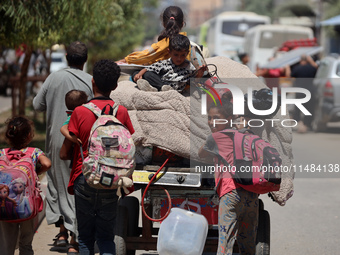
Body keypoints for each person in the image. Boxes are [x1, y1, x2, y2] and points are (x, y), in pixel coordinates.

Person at [60, 59, 134, 255]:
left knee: (85, 237)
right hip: (111, 179)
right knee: (105, 237)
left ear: (93, 82)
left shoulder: (80, 112)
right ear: (116, 86)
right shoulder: (122, 112)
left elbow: (65, 151)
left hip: (84, 177)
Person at [33, 41, 93, 254]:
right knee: (76, 188)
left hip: (55, 142)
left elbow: (37, 105)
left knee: (56, 186)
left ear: (67, 57)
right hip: (79, 143)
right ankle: (74, 236)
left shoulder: (53, 78)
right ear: (85, 60)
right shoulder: (90, 81)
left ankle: (61, 233)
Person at [198, 99, 258, 255]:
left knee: (225, 243)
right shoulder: (245, 134)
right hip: (251, 194)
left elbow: (200, 154)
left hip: (230, 193)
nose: (212, 122)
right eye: (209, 118)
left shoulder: (216, 137)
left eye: (216, 118)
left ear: (229, 119)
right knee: (248, 243)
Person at [0, 116, 51, 255]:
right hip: (27, 205)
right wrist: (37, 171)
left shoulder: (2, 153)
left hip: (5, 205)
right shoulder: (34, 152)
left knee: (6, 243)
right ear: (29, 135)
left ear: (8, 136)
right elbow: (47, 163)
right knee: (26, 242)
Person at [132, 34, 206, 92]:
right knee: (141, 74)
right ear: (169, 52)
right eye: (176, 55)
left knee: (147, 75)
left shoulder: (190, 67)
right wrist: (139, 75)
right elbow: (149, 68)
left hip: (173, 90)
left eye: (182, 55)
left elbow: (192, 83)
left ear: (187, 53)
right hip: (162, 83)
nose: (179, 58)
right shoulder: (165, 63)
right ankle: (156, 88)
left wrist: (199, 74)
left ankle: (159, 88)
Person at [118, 6, 189, 65]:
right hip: (189, 78)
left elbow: (145, 56)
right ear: (182, 24)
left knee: (138, 75)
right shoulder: (188, 43)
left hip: (167, 76)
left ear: (164, 24)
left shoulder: (165, 43)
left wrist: (125, 60)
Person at [290, 54, 318, 133]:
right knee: (309, 109)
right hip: (310, 91)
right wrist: (311, 61)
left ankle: (300, 124)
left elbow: (290, 75)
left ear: (300, 60)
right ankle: (306, 125)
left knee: (298, 109)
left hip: (299, 92)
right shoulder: (311, 68)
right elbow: (317, 69)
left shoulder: (297, 68)